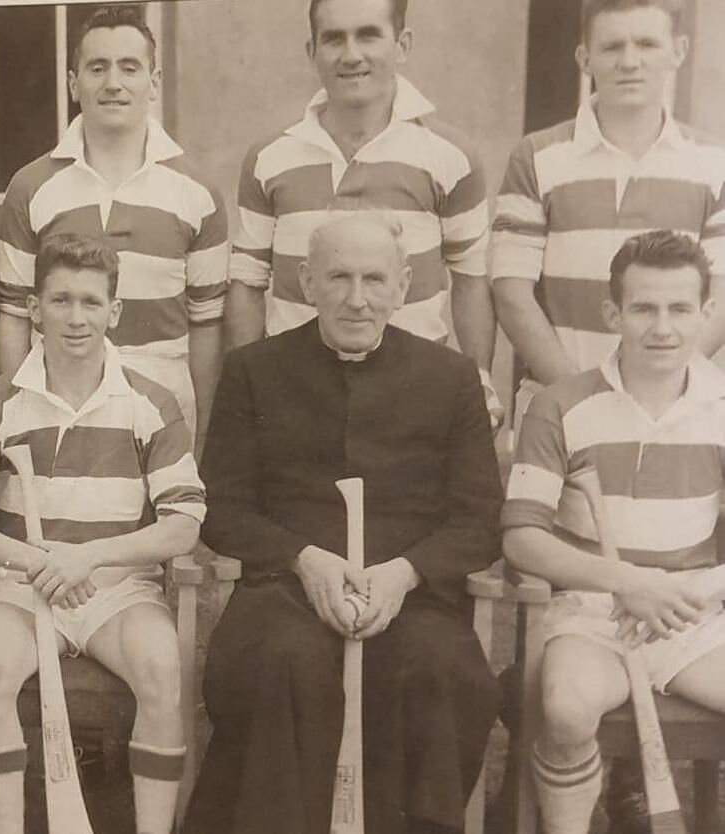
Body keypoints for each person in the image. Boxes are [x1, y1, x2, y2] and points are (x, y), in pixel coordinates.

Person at [183, 212, 503, 834]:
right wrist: (304, 559)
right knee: (282, 662)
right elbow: (220, 505)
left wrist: (405, 574)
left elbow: (479, 519)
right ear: (306, 281)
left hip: (410, 596)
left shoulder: (452, 378)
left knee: (441, 671)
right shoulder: (254, 370)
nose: (357, 299)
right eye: (338, 277)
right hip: (285, 590)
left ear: (404, 285)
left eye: (375, 279)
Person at [0, 233, 205, 834]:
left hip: (118, 591)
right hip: (18, 588)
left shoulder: (151, 401)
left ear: (114, 311)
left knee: (163, 665)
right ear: (34, 308)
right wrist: (34, 561)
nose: (76, 317)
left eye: (91, 302)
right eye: (60, 300)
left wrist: (88, 558)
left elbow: (183, 524)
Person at [502, 229, 725, 834]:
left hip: (695, 614)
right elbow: (522, 538)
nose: (663, 327)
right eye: (644, 308)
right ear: (612, 313)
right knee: (569, 709)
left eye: (680, 309)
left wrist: (688, 594)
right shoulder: (561, 405)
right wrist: (626, 581)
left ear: (707, 312)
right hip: (590, 610)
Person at [225, 0, 503, 429]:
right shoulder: (268, 159)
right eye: (333, 38)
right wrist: (247, 391)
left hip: (415, 402)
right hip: (294, 402)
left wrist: (479, 381)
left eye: (368, 35)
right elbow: (246, 285)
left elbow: (470, 282)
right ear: (311, 51)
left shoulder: (451, 156)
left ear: (402, 44)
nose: (351, 55)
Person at [0, 5, 228, 448]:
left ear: (153, 82)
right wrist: (17, 420)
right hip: (57, 405)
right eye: (97, 68)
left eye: (130, 67)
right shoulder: (31, 187)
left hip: (163, 413)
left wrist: (202, 440)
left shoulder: (199, 193)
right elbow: (14, 318)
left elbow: (207, 328)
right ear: (73, 82)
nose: (113, 83)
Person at [492, 0, 725, 429]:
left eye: (647, 44)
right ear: (585, 58)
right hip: (558, 402)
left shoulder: (714, 164)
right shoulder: (537, 157)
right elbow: (511, 291)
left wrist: (660, 384)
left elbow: (722, 296)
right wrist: (583, 396)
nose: (630, 61)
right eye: (613, 46)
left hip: (674, 410)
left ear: (678, 50)